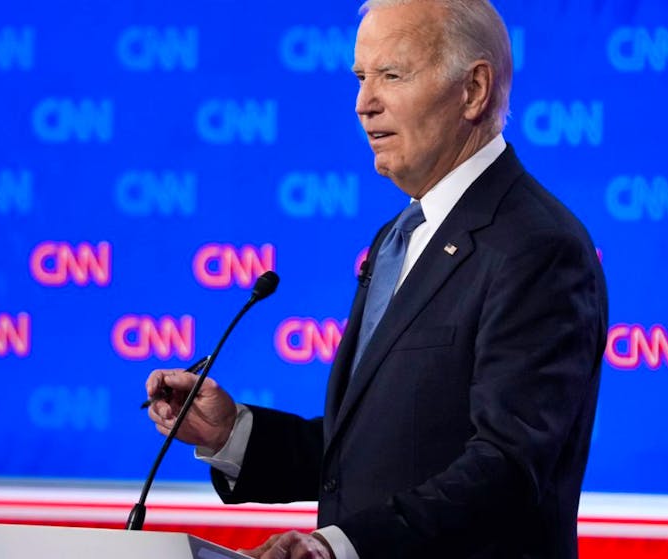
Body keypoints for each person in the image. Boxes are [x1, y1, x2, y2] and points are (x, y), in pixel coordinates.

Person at [146, 1, 608, 557]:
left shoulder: (537, 247)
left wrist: (338, 547)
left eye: (392, 75)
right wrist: (231, 434)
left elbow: (506, 469)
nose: (364, 104)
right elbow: (373, 453)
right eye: (362, 78)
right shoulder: (400, 235)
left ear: (474, 91)